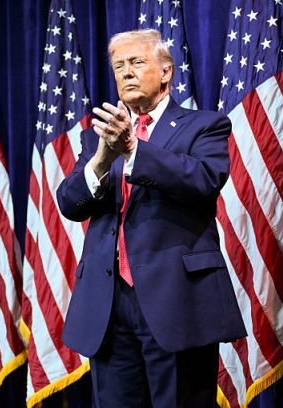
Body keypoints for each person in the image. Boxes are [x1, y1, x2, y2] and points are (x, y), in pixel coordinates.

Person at [57, 29, 246, 407]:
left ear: (165, 72)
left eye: (137, 62)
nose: (126, 73)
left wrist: (133, 149)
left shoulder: (204, 126)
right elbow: (70, 204)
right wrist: (101, 160)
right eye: (119, 66)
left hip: (177, 301)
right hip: (108, 307)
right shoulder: (97, 140)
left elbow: (203, 181)